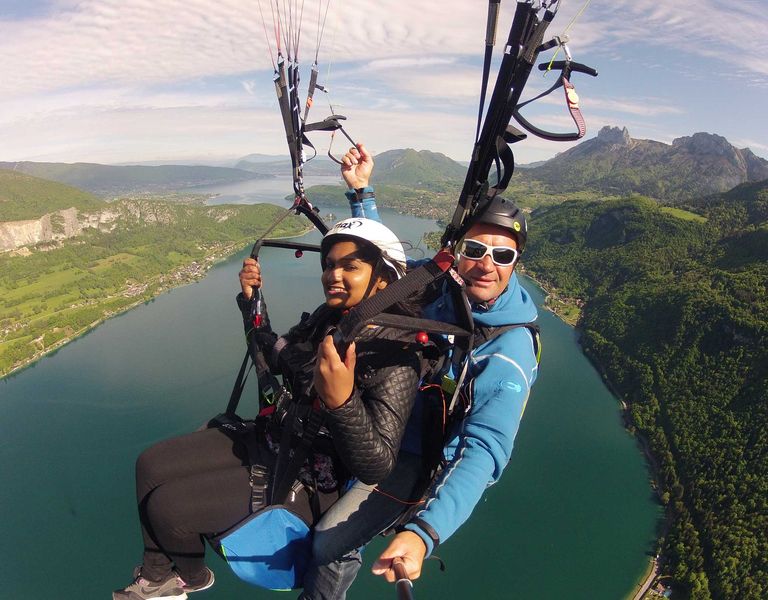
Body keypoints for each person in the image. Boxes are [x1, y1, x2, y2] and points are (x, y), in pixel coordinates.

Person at [113, 217, 427, 600]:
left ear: (383, 278)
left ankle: (188, 581)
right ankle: (157, 576)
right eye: (329, 264)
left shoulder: (398, 354)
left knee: (169, 509)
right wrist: (251, 300)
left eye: (350, 266)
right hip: (278, 438)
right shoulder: (332, 319)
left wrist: (342, 402)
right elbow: (278, 354)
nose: (333, 275)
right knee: (149, 464)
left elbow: (376, 465)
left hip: (314, 476)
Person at [340, 144, 540, 587]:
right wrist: (361, 194)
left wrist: (423, 534)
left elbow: (485, 449)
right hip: (383, 417)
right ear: (459, 252)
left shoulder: (509, 352)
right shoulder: (449, 290)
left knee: (325, 545)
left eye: (503, 256)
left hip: (415, 457)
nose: (487, 265)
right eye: (475, 249)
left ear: (516, 263)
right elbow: (393, 275)